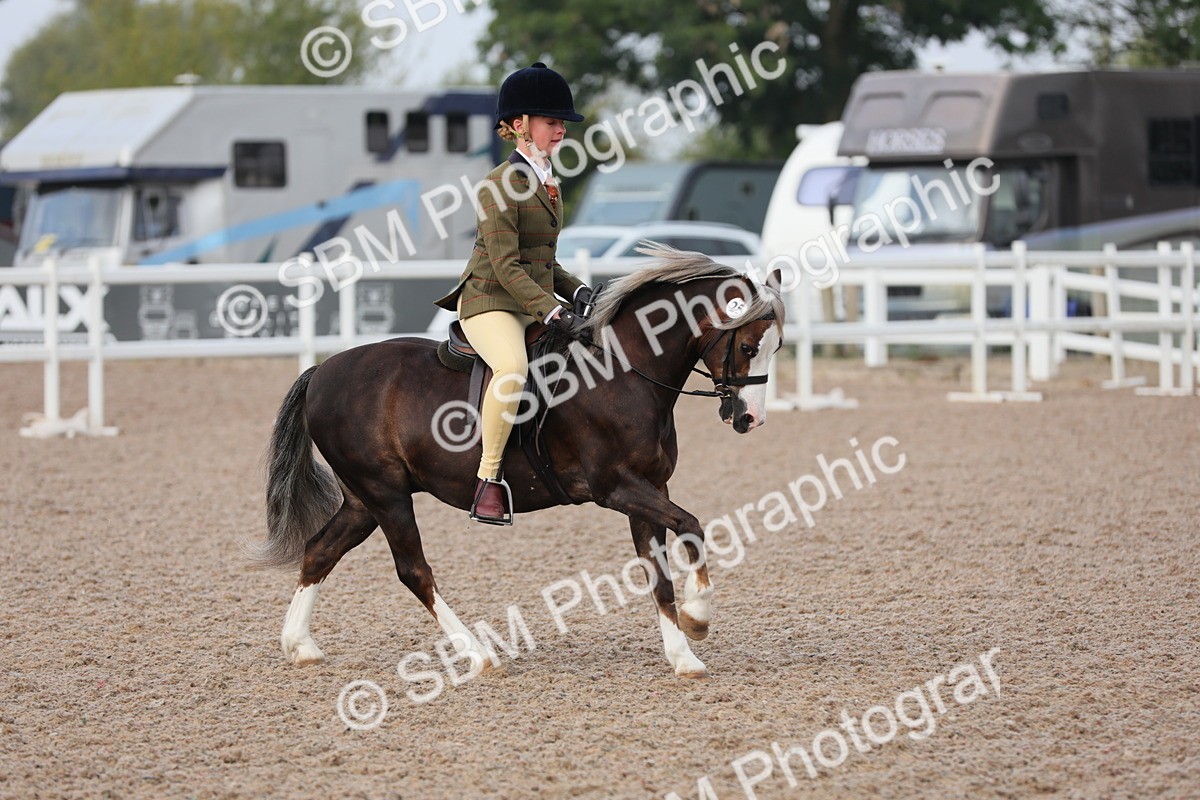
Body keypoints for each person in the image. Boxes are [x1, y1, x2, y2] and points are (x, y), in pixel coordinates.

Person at [434, 61, 594, 526]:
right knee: (512, 367)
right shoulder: (497, 186)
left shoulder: (548, 183)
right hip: (490, 300)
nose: (560, 129)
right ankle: (487, 480)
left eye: (562, 122)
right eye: (552, 121)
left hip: (528, 299)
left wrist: (579, 292)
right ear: (521, 125)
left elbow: (544, 261)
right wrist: (550, 311)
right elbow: (506, 266)